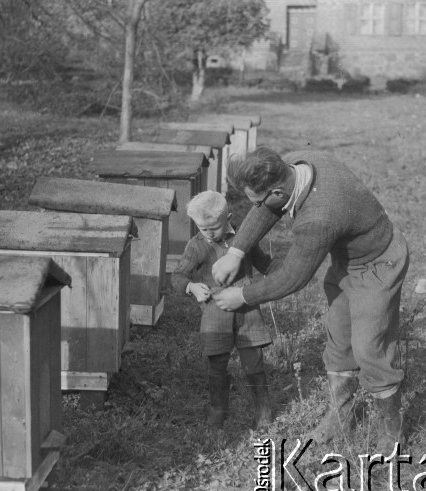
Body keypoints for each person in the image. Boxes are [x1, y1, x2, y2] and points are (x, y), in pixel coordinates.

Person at [212, 147, 409, 453]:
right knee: (340, 338)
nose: (256, 207)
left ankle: (391, 430)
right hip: (347, 261)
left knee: (369, 348)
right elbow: (265, 209)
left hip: (378, 264)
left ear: (278, 191)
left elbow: (293, 276)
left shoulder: (319, 219)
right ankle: (340, 415)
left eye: (257, 200)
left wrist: (243, 295)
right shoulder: (296, 161)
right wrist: (237, 251)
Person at [171, 190, 275, 430]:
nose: (208, 234)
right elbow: (177, 276)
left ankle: (263, 412)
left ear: (228, 217)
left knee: (254, 363)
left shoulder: (244, 238)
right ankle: (218, 410)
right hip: (215, 311)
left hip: (247, 309)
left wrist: (283, 272)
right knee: (217, 364)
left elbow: (263, 262)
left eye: (213, 228)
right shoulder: (197, 246)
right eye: (202, 228)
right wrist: (191, 287)